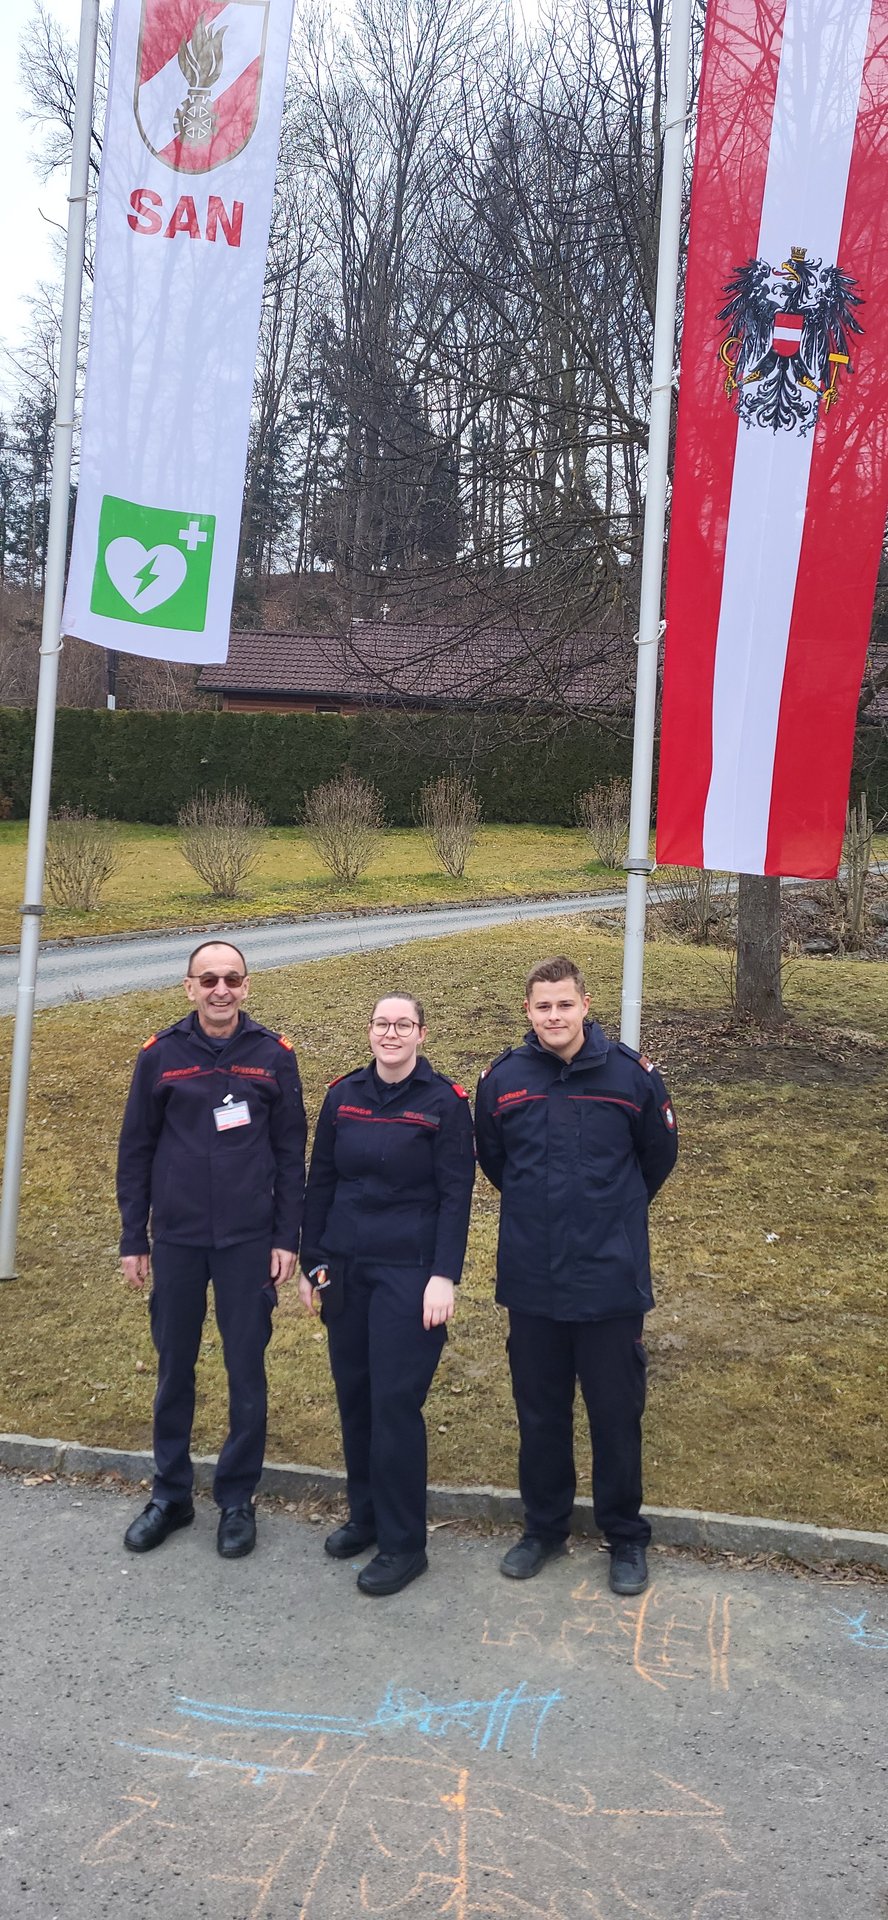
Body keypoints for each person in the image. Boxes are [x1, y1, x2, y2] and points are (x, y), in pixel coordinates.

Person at [474, 956, 678, 1596]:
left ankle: (625, 1535)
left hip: (609, 1278)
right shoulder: (503, 1080)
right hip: (532, 1278)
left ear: (586, 1005)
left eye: (565, 1004)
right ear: (528, 1011)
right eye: (543, 1006)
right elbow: (496, 1162)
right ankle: (544, 1529)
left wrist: (610, 1215)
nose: (554, 1016)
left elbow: (657, 1158)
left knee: (615, 1414)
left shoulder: (632, 1077)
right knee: (540, 1414)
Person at [117, 940, 306, 1559]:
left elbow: (290, 1154)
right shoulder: (160, 1055)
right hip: (176, 1239)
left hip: (247, 1242)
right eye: (208, 980)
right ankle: (170, 1495)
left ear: (246, 986)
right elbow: (136, 1149)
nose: (220, 989)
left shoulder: (273, 1056)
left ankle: (237, 1499)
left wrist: (285, 1237)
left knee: (245, 1370)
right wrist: (133, 1236)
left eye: (231, 978)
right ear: (189, 987)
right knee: (174, 1368)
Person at [299, 992, 475, 1597]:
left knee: (395, 1404)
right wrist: (312, 1263)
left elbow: (456, 1194)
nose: (391, 1033)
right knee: (356, 1396)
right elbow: (321, 1180)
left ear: (422, 1033)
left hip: (410, 1273)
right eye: (382, 1023)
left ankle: (404, 1545)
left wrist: (444, 1275)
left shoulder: (445, 1102)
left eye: (403, 1024)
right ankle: (366, 1516)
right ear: (369, 1030)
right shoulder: (342, 1095)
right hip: (346, 1268)